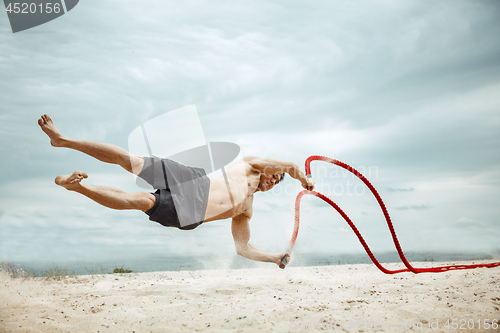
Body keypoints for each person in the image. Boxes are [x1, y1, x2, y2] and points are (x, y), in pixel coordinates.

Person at [38, 114, 315, 267]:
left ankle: (78, 187)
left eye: (279, 182)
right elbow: (290, 165)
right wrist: (303, 178)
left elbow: (242, 248)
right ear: (268, 169)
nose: (275, 180)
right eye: (275, 176)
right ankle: (64, 141)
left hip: (191, 212)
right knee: (130, 161)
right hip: (195, 180)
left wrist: (273, 257)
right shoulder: (249, 165)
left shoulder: (247, 208)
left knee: (141, 201)